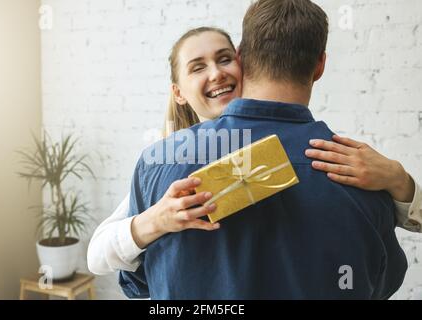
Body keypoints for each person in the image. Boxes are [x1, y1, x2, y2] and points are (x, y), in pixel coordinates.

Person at [116, 0, 408, 299]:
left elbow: (138, 283)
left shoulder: (157, 164)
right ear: (320, 65)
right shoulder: (366, 177)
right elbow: (381, 282)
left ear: (242, 57)